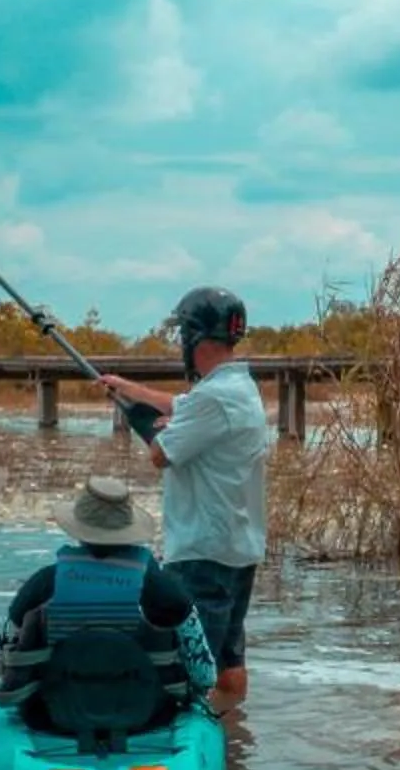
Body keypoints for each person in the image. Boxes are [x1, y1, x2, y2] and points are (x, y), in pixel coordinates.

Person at [96, 285, 272, 713]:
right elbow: (184, 406)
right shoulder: (239, 386)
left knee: (188, 669)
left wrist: (146, 423)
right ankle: (229, 736)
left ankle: (184, 745)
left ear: (195, 337)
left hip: (202, 553)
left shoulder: (212, 397)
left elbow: (161, 454)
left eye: (182, 335)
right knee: (230, 661)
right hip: (239, 550)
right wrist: (127, 390)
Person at [0, 476, 217, 745]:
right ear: (129, 531)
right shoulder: (166, 591)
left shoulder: (43, 584)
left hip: (52, 719)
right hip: (150, 719)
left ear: (79, 530)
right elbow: (205, 675)